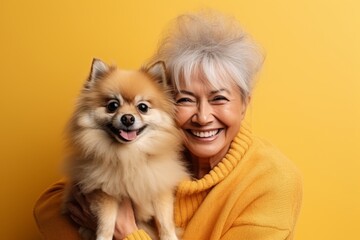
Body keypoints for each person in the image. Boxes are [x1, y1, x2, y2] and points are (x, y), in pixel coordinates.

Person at [34, 10, 302, 240]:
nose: (203, 116)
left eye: (219, 98)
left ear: (244, 104)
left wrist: (126, 234)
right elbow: (48, 207)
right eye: (186, 99)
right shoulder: (149, 146)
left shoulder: (272, 180)